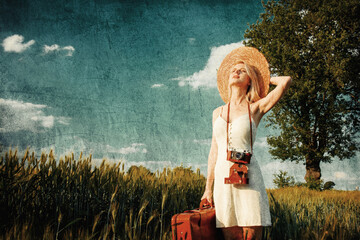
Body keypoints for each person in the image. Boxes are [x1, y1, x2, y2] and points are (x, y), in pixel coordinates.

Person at [201, 47, 292, 240]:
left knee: (251, 235)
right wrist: (208, 188)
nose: (236, 72)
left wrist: (262, 78)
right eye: (234, 70)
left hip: (248, 174)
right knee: (230, 234)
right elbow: (213, 152)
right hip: (223, 176)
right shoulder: (216, 113)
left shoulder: (256, 108)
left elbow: (285, 81)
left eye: (242, 71)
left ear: (249, 79)